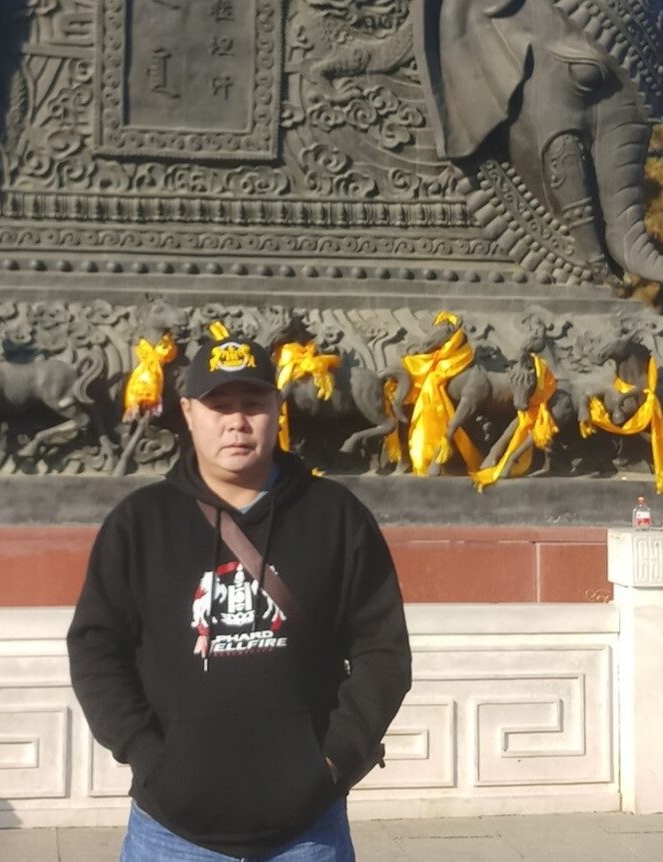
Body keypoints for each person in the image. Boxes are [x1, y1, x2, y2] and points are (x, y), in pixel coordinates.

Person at [67, 334, 412, 861]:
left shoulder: (336, 517)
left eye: (252, 404)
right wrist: (147, 755)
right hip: (171, 834)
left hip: (307, 834)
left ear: (278, 407)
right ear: (187, 412)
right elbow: (96, 648)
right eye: (219, 406)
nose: (236, 421)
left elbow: (382, 650)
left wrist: (335, 759)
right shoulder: (139, 524)